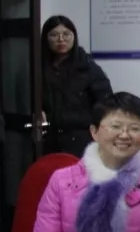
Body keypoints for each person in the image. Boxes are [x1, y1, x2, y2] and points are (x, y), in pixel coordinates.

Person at [30, 93, 140, 232]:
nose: (124, 135)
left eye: (134, 129)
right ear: (94, 132)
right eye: (115, 126)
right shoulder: (62, 181)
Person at [40, 15, 113, 156]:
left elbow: (106, 103)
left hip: (81, 138)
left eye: (66, 34)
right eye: (54, 35)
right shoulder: (38, 66)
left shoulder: (87, 66)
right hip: (47, 138)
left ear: (74, 37)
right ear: (45, 38)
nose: (61, 39)